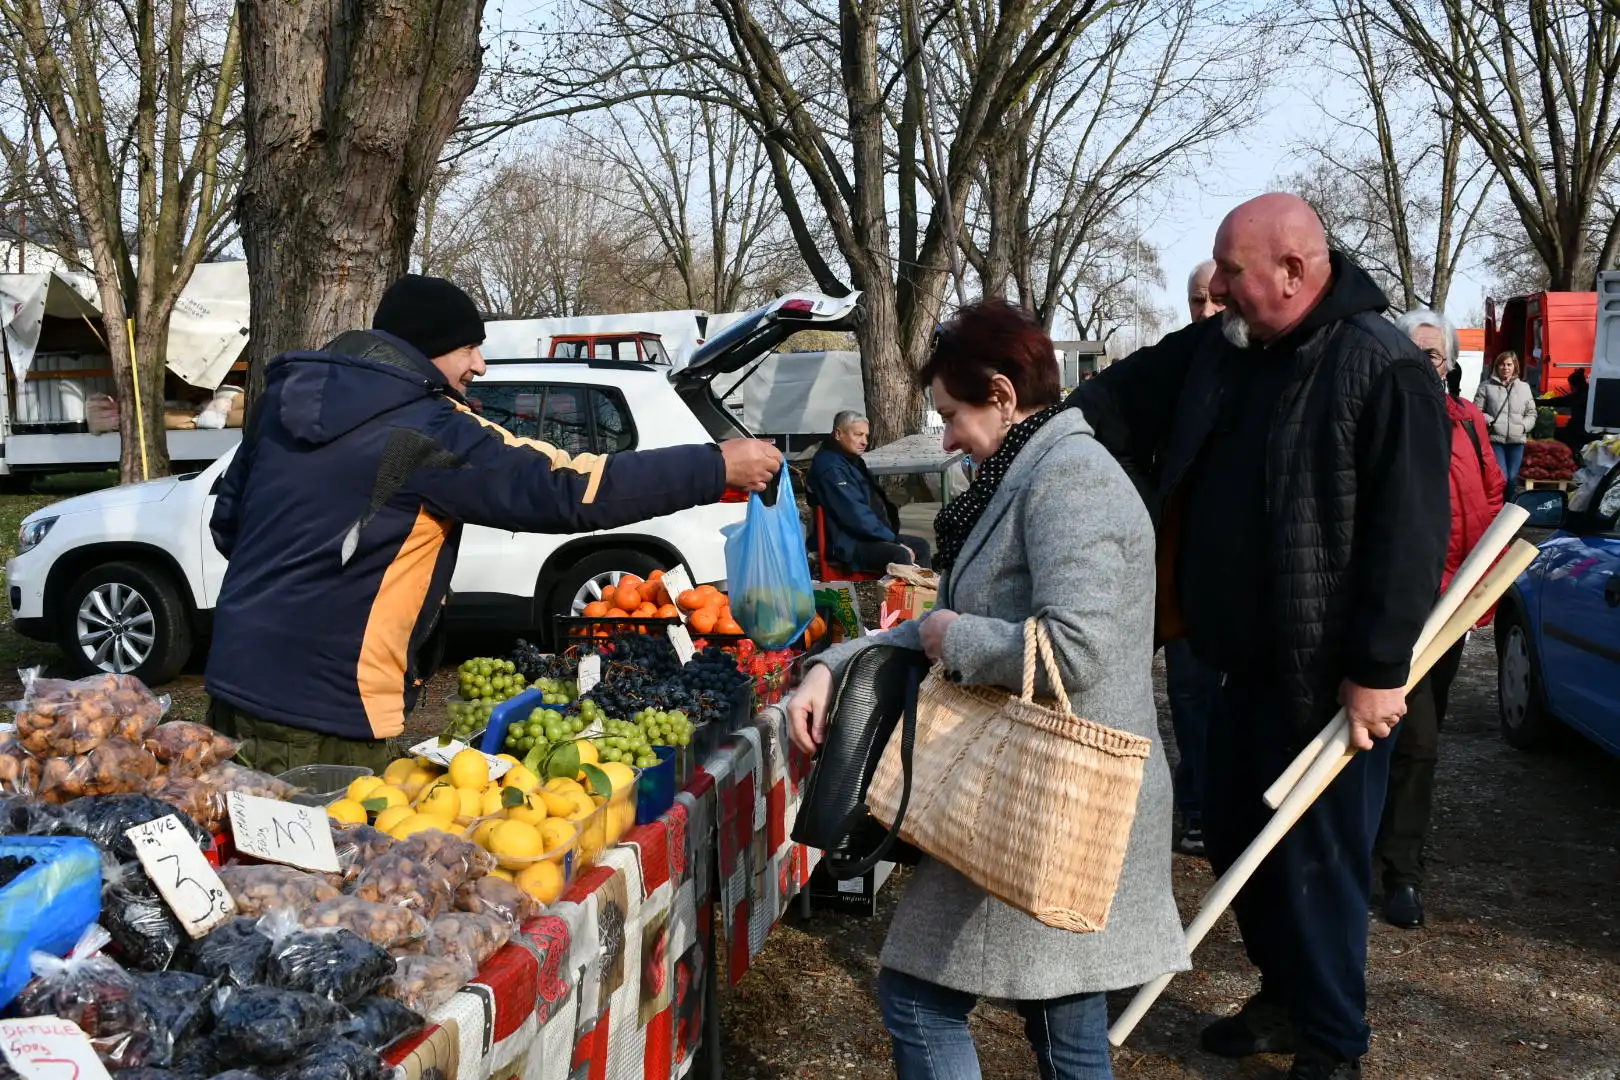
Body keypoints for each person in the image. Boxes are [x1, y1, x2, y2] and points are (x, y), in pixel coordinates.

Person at [1068, 193, 1450, 1080]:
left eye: (1232, 272)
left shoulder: (1382, 367)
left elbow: (1409, 535)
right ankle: (1283, 998)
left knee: (1318, 862)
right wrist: (1038, 447)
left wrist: (1377, 669)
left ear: (1293, 270)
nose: (1217, 290)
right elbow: (1111, 401)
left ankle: (1334, 1041)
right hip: (1229, 660)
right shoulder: (1225, 348)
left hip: (1326, 680)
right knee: (1239, 840)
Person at [787, 300, 1187, 1080]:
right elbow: (946, 621)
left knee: (918, 998)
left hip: (1055, 803)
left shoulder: (1072, 480)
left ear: (1002, 395)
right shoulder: (1027, 471)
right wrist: (833, 666)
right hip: (1038, 797)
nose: (945, 438)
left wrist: (956, 639)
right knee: (1063, 1026)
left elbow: (1076, 648)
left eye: (951, 415)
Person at [205, 274, 783, 773]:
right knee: (326, 864)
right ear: (426, 349)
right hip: (327, 709)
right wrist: (714, 466)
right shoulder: (426, 429)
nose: (480, 365)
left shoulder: (282, 403)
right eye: (468, 348)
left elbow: (229, 524)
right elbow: (563, 488)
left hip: (233, 681)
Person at [1374, 310, 1505, 930]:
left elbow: (1493, 496)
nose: (1426, 363)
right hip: (1397, 609)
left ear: (1449, 364)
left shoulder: (1470, 422)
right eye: (1413, 352)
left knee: (1416, 740)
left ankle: (1391, 853)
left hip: (1451, 610)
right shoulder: (1382, 418)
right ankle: (1400, 873)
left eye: (1434, 354)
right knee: (1414, 739)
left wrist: (1483, 588)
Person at [1162, 259, 1226, 856]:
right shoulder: (1174, 369)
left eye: (1215, 300)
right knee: (1189, 696)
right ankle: (1199, 807)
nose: (1206, 312)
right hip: (1185, 578)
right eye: (1196, 301)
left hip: (1245, 579)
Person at [807, 411, 932, 572]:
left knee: (920, 545)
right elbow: (855, 515)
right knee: (900, 554)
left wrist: (890, 536)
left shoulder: (850, 460)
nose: (864, 441)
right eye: (858, 435)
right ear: (838, 434)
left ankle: (922, 588)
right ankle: (904, 588)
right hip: (845, 543)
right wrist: (892, 540)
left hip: (863, 537)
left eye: (866, 436)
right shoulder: (831, 468)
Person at [1474, 350, 1538, 488]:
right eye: (1502, 364)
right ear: (1497, 366)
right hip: (1496, 440)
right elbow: (1477, 411)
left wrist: (1523, 426)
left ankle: (1509, 502)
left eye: (1509, 364)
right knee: (1503, 477)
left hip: (1517, 441)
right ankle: (1499, 501)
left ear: (1515, 366)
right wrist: (1490, 421)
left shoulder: (1524, 387)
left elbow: (1531, 413)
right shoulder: (1486, 387)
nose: (1505, 368)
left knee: (1513, 478)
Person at [1545, 368, 1591, 458]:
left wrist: (1537, 402)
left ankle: (1571, 455)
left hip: (1580, 432)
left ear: (1575, 386)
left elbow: (1558, 401)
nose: (1570, 388)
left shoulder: (1578, 396)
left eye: (1571, 386)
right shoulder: (1589, 392)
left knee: (1557, 433)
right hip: (1586, 430)